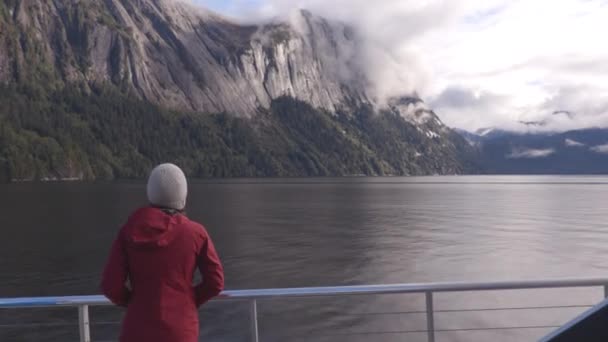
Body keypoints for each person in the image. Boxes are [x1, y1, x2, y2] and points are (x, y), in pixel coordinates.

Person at [101, 163, 224, 342]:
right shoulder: (196, 233)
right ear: (183, 195)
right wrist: (187, 301)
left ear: (151, 193)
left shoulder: (128, 231)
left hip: (137, 331)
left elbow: (110, 286)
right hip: (181, 331)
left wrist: (135, 302)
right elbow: (216, 283)